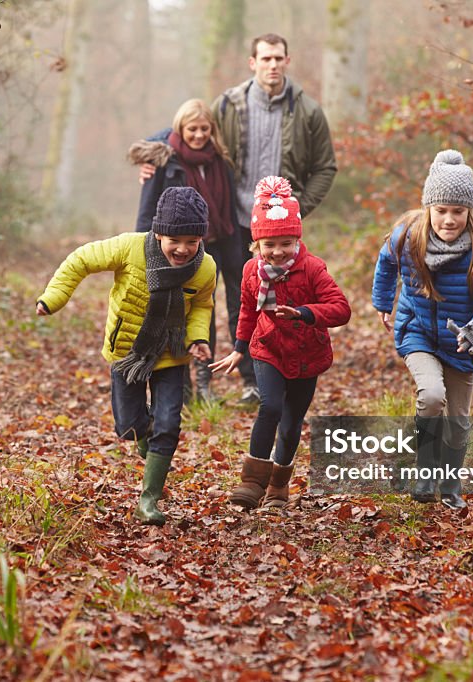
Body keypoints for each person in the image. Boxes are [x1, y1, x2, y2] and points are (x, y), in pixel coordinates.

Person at [141, 33, 338, 407]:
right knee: (210, 297)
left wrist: (297, 209)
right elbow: (187, 128)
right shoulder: (229, 104)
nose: (273, 65)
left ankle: (258, 379)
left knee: (261, 301)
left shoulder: (307, 111)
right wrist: (151, 154)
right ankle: (204, 379)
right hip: (228, 221)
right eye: (265, 58)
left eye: (279, 58)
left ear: (287, 60)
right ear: (253, 63)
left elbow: (326, 166)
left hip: (277, 228)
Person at [35, 186, 217, 526]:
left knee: (169, 424)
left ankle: (148, 500)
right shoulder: (129, 247)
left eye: (192, 241)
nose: (183, 249)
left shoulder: (205, 268)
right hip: (127, 353)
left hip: (172, 355)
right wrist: (53, 298)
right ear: (159, 232)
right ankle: (150, 448)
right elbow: (81, 260)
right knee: (130, 426)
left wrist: (197, 339)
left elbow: (201, 307)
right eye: (175, 240)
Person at [371, 150, 473, 510]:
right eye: (441, 210)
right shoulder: (407, 237)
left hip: (462, 343)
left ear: (469, 212)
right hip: (416, 331)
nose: (449, 220)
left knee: (459, 421)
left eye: (458, 212)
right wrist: (384, 302)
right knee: (431, 395)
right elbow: (386, 262)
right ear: (428, 207)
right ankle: (425, 471)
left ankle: (450, 483)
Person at [211, 176, 351, 510]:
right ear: (256, 245)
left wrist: (305, 312)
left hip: (307, 355)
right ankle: (252, 482)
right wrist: (238, 348)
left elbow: (341, 309)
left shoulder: (313, 269)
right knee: (270, 406)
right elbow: (246, 310)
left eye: (286, 243)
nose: (277, 251)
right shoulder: (250, 272)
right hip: (268, 348)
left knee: (290, 426)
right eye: (269, 244)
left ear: (297, 240)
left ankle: (278, 486)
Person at [128, 99, 245, 404]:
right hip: (175, 251)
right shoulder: (164, 160)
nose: (198, 135)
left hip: (215, 246)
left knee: (206, 312)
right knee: (177, 314)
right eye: (192, 129)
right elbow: (147, 211)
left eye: (204, 129)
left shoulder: (219, 161)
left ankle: (205, 382)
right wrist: (145, 251)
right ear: (180, 128)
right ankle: (182, 388)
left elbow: (228, 208)